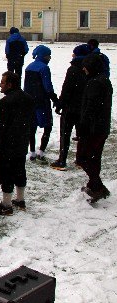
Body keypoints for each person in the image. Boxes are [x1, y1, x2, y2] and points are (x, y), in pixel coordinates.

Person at [0, 71, 35, 215]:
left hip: (7, 144)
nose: (0, 85)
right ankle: (20, 199)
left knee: (5, 173)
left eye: (2, 82)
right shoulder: (28, 99)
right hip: (21, 142)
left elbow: (0, 125)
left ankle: (6, 205)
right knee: (20, 170)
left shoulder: (5, 102)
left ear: (10, 84)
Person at [76, 54, 112, 203]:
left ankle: (97, 187)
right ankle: (94, 185)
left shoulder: (94, 83)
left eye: (86, 66)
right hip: (101, 127)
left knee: (83, 158)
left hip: (93, 129)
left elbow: (90, 108)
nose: (83, 69)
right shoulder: (103, 80)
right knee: (94, 157)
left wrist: (83, 127)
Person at [51, 45, 91, 171]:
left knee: (65, 134)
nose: (72, 55)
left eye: (74, 53)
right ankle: (81, 159)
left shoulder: (73, 69)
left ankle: (62, 160)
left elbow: (66, 89)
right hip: (83, 108)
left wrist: (60, 104)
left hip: (70, 108)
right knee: (83, 135)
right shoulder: (91, 69)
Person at [24, 45, 58, 162]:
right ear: (44, 56)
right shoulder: (44, 68)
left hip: (30, 102)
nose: (50, 58)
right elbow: (47, 86)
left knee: (31, 128)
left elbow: (26, 86)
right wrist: (55, 99)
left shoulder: (29, 67)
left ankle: (32, 151)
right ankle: (41, 151)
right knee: (47, 126)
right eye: (48, 55)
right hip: (42, 101)